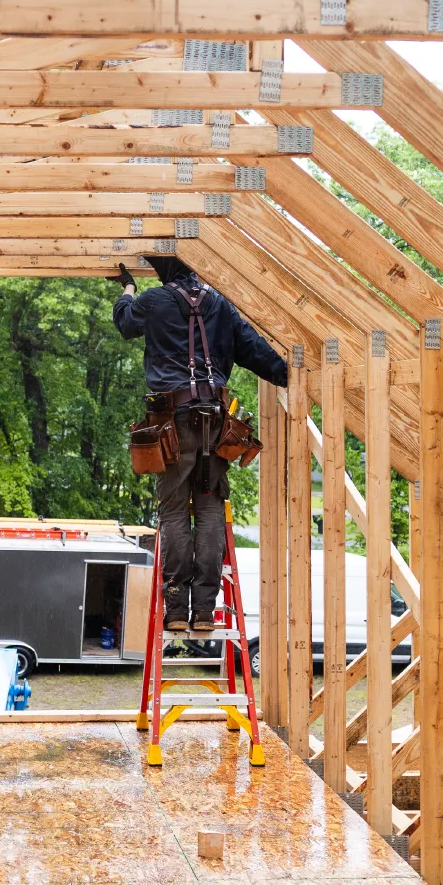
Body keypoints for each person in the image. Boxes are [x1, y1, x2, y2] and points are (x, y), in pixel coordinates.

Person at [113, 254, 288, 634]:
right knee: (209, 510)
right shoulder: (220, 303)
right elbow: (254, 351)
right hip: (215, 420)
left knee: (174, 511)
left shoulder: (155, 300)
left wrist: (127, 289)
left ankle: (177, 608)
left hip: (173, 421)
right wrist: (290, 373)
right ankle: (205, 610)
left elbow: (126, 323)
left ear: (164, 272)